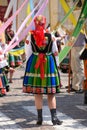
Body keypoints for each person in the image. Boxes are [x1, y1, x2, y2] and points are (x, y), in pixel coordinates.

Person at [23, 15, 63, 125]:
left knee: (38, 93)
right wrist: (57, 64)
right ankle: (54, 118)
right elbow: (55, 51)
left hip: (35, 62)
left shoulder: (30, 36)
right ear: (44, 23)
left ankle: (40, 118)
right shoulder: (51, 35)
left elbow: (28, 52)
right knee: (51, 94)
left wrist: (29, 64)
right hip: (48, 63)